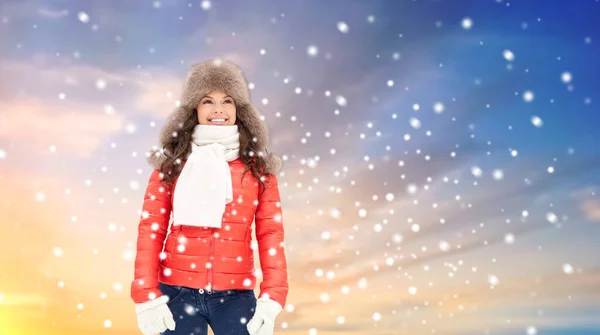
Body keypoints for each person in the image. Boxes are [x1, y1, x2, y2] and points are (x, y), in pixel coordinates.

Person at [130, 58, 288, 335]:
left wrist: (272, 297)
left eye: (227, 101)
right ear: (194, 108)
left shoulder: (258, 170)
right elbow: (151, 230)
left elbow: (270, 234)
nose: (218, 109)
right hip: (175, 294)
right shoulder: (172, 165)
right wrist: (145, 296)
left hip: (235, 296)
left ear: (239, 109)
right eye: (207, 101)